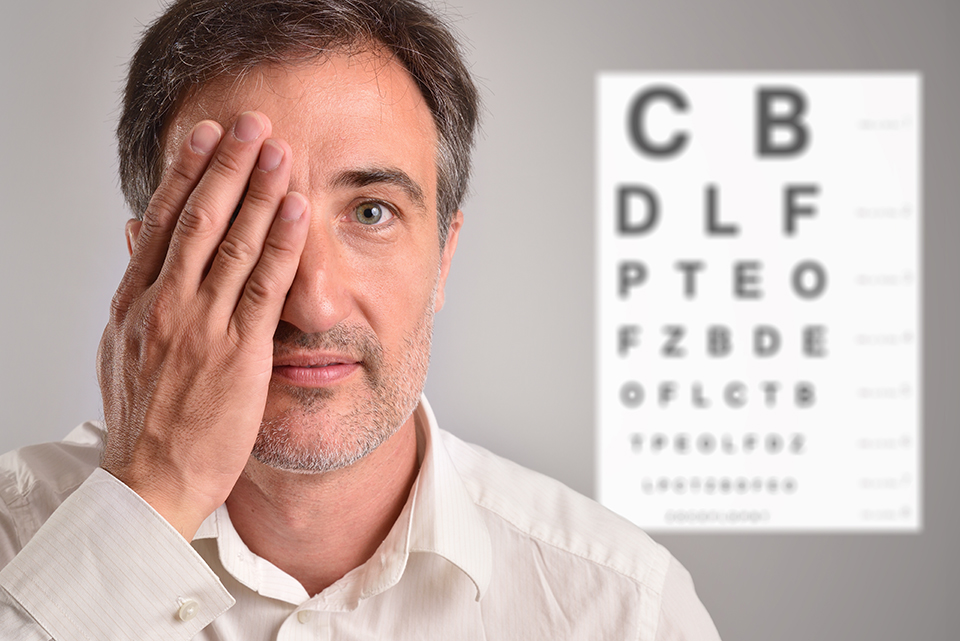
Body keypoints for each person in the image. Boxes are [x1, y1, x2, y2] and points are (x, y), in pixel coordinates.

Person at [0, 0, 721, 638]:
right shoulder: (14, 542)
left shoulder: (626, 610)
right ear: (151, 274)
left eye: (372, 212)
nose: (313, 303)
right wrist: (149, 500)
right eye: (244, 218)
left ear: (443, 257)